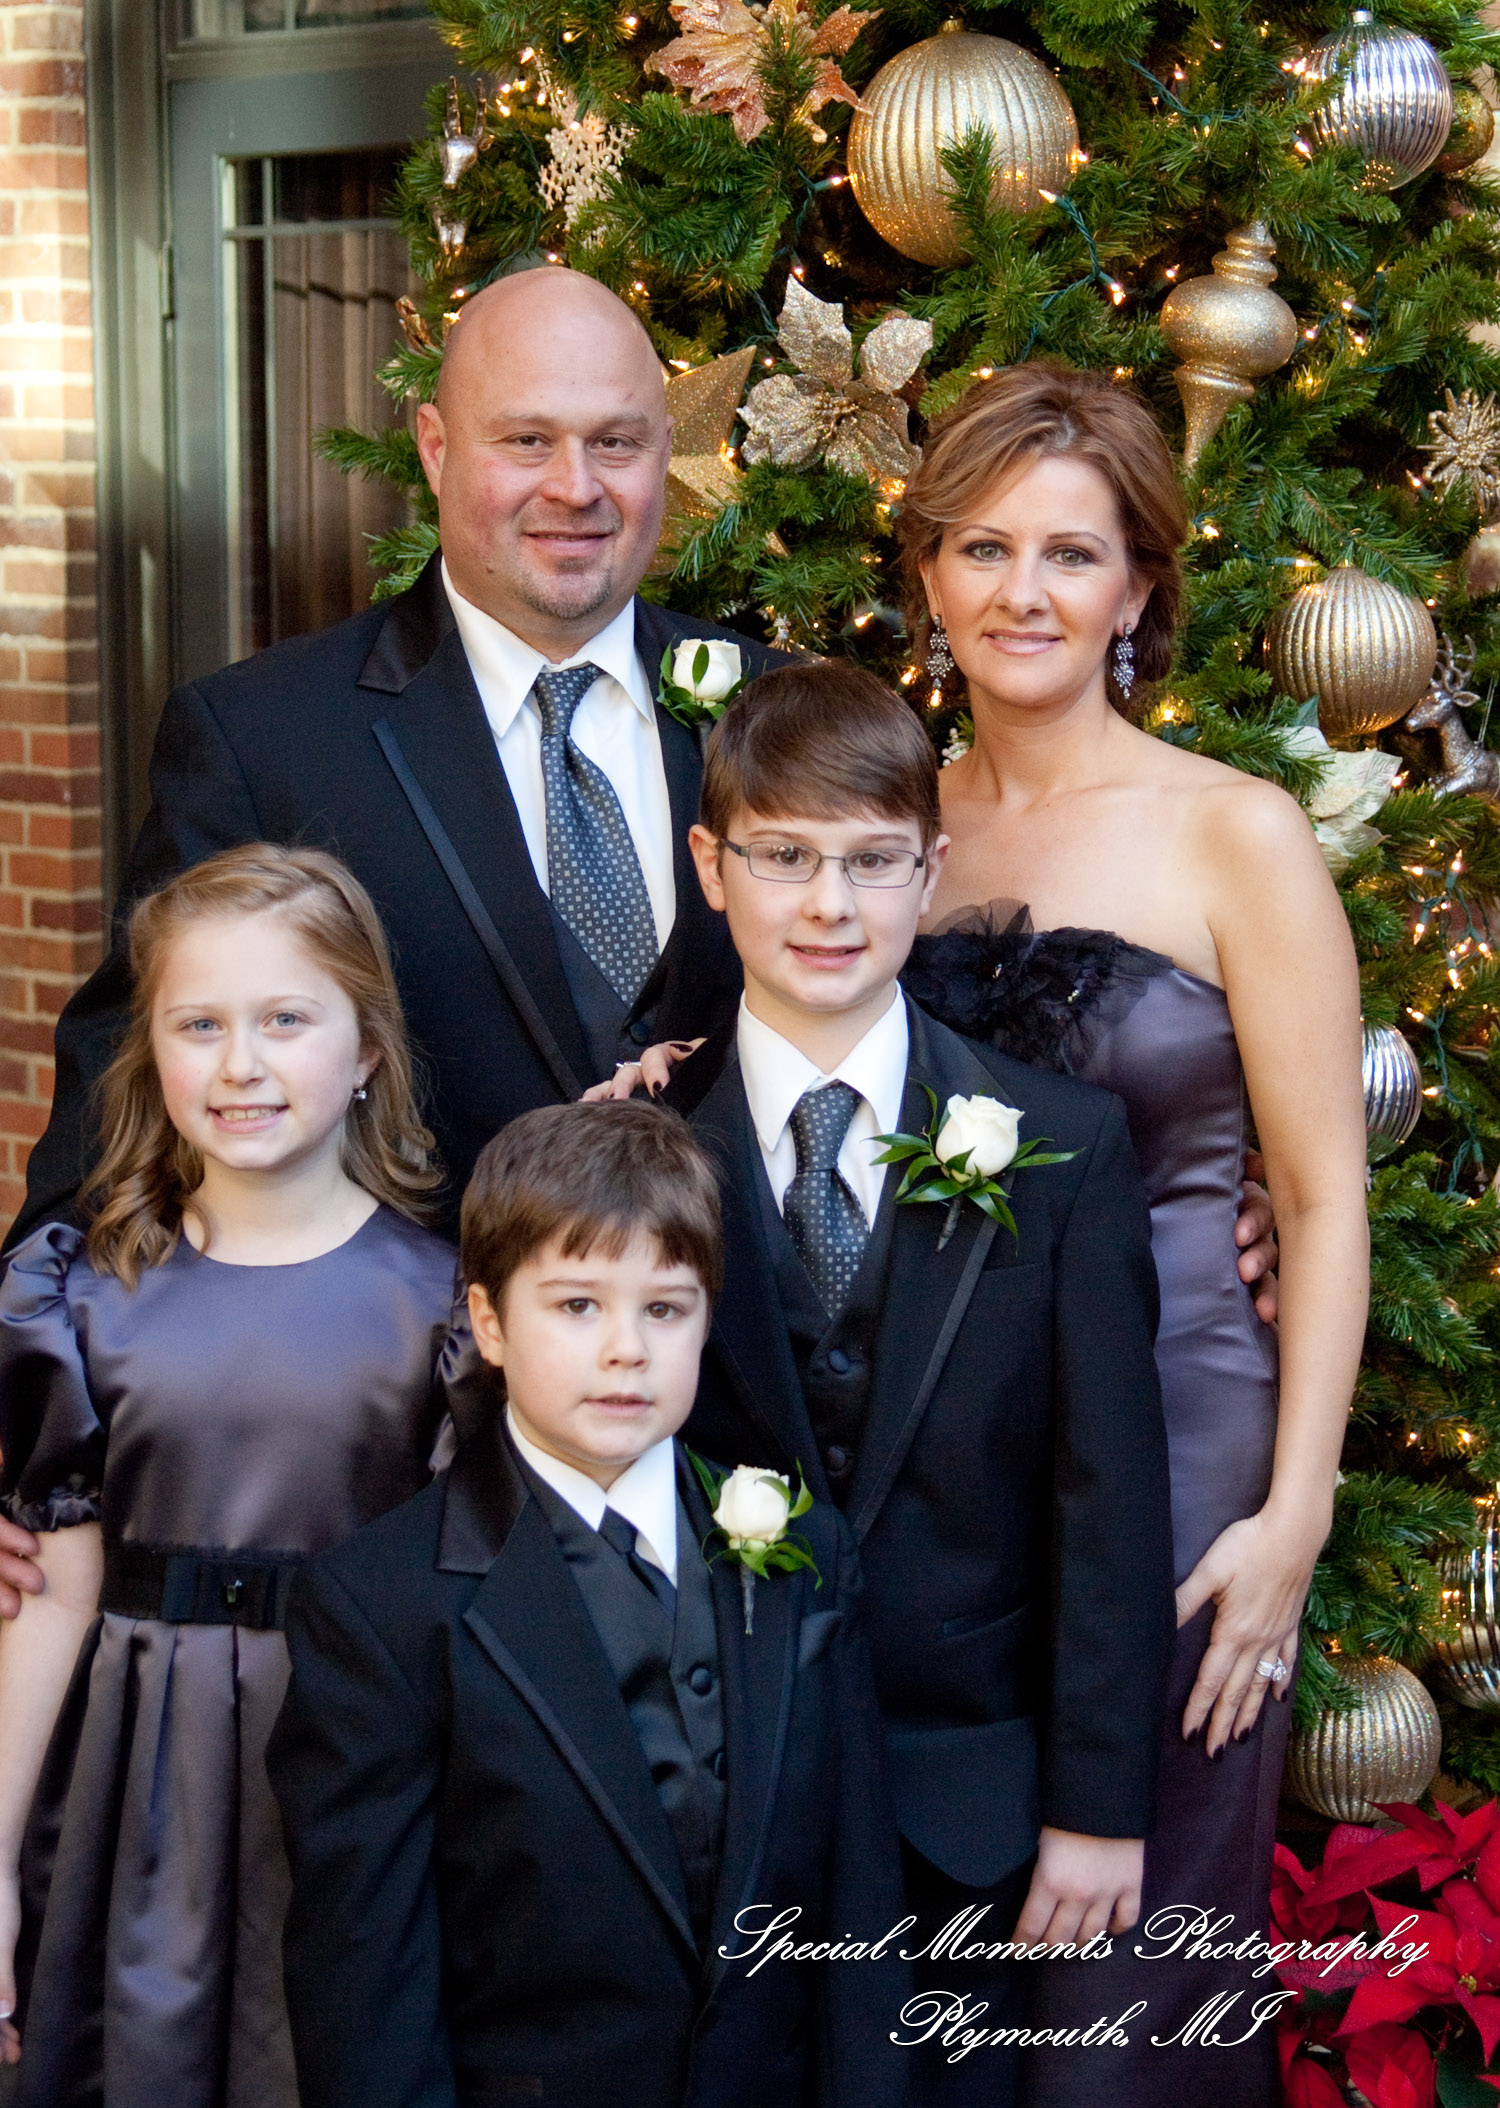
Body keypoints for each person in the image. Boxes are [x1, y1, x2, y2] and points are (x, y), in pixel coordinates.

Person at [893, 362, 1369, 2106]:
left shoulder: (1232, 832)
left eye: (1072, 553)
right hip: (934, 1468)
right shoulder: (891, 828)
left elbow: (1319, 1197)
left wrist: (1293, 1517)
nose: (1025, 591)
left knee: (1123, 2018)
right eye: (986, 545)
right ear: (929, 576)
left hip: (1177, 1457)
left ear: (1141, 587)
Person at [615, 662, 1176, 2107]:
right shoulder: (634, 1156)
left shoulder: (1061, 1149)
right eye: (783, 858)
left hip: (972, 1806)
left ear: (931, 871)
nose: (826, 905)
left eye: (871, 863)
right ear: (711, 865)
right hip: (708, 1791)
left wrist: (1095, 1811)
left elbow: (1107, 1499)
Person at [9, 264, 788, 1259]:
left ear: (666, 451)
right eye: (526, 440)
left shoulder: (777, 706)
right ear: (434, 445)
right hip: (408, 1389)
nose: (576, 486)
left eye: (617, 442)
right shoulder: (261, 739)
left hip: (745, 1387)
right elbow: (111, 1131)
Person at [267, 1098, 908, 2108]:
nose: (627, 1348)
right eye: (576, 1305)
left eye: (665, 1306)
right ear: (488, 1321)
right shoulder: (380, 1605)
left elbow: (857, 1911)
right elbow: (367, 1983)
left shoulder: (806, 1553)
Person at [0, 844, 471, 2108]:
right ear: (148, 1048)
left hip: (347, 1773)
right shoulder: (80, 1295)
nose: (240, 1063)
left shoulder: (443, 1309)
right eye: (197, 1024)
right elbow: (54, 1590)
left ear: (367, 1047)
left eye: (284, 1020)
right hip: (128, 1779)